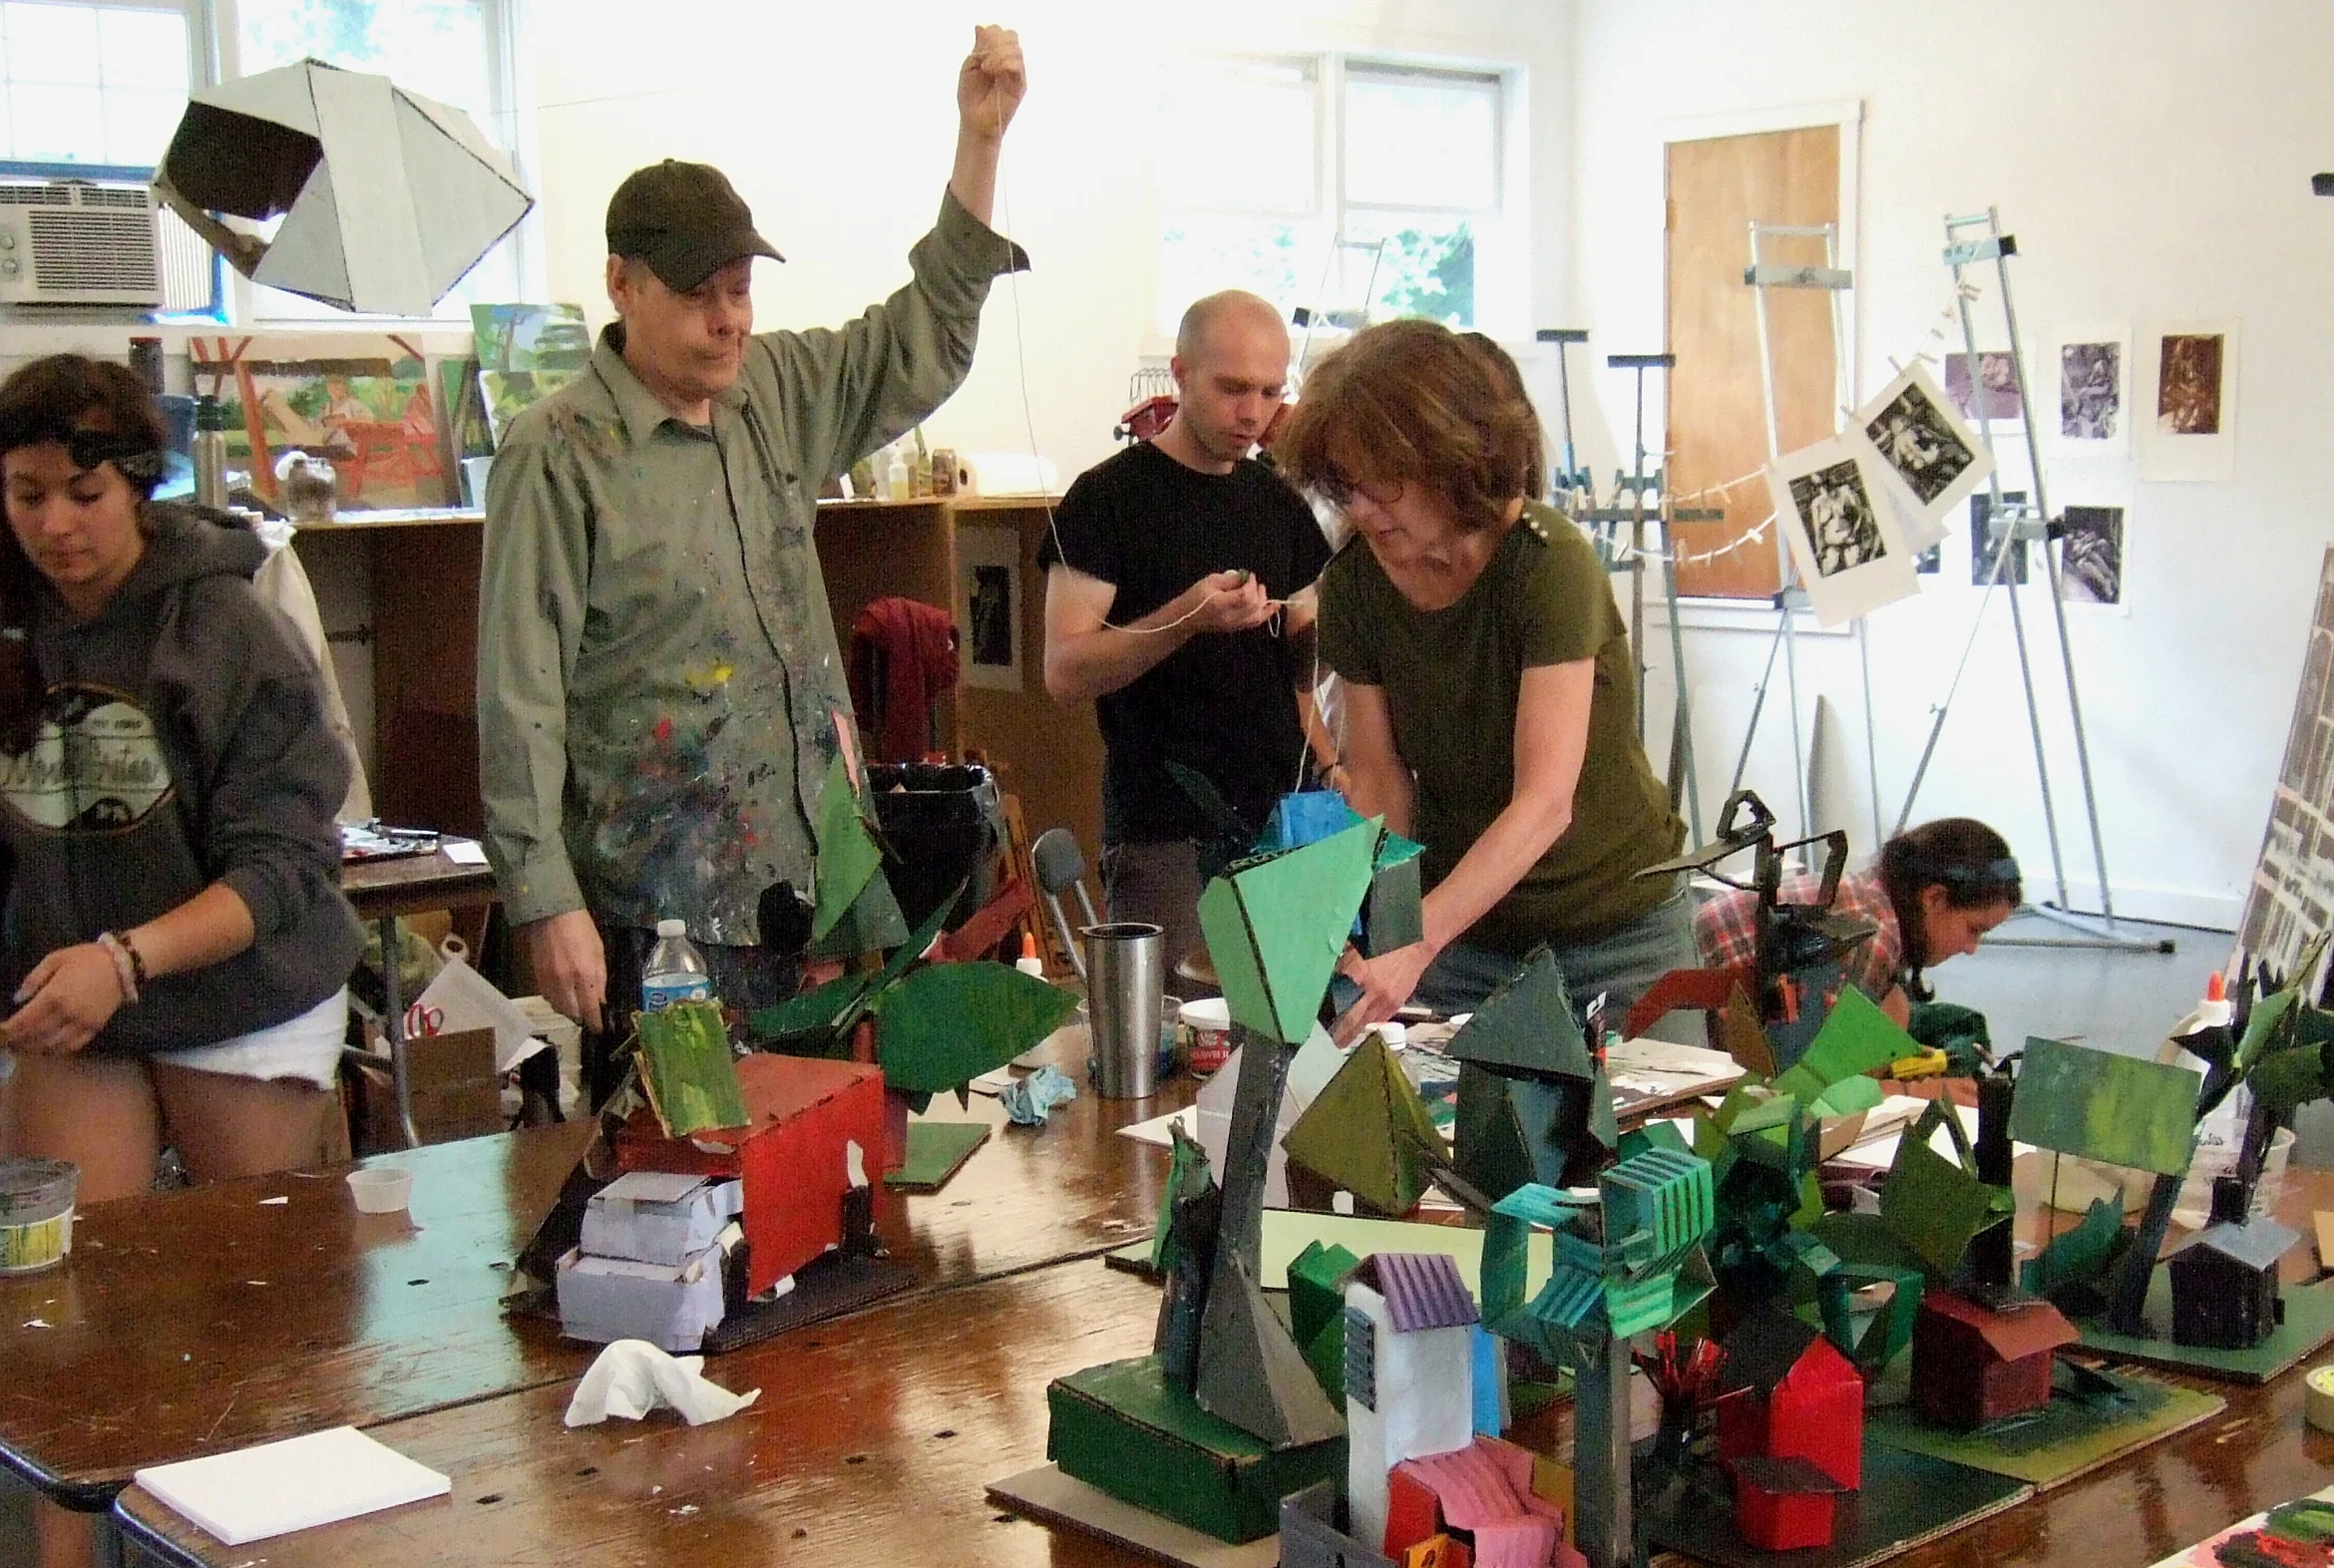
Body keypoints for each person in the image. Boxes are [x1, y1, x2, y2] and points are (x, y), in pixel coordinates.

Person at [478, 27, 1028, 1052]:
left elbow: (923, 339)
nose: (728, 319)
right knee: (679, 1191)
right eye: (698, 294)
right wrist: (541, 899)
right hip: (655, 912)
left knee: (816, 1170)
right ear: (621, 285)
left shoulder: (776, 391)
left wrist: (980, 143)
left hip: (812, 887)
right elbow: (520, 696)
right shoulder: (557, 454)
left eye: (740, 288)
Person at [0, 353, 362, 1568]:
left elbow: (282, 872)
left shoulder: (226, 625)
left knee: (256, 1300)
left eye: (81, 492)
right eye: (25, 494)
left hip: (238, 984)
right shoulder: (10, 621)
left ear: (135, 486)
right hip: (74, 995)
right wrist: (65, 969)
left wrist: (123, 957)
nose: (54, 525)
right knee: (54, 1295)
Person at [1272, 322, 1690, 1040]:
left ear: (1448, 457)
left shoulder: (1548, 563)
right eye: (1346, 485)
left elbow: (1545, 801)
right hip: (1471, 940)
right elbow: (1379, 781)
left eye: (1382, 480)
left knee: (1654, 1145)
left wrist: (1418, 936)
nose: (1362, 508)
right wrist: (1382, 922)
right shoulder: (1356, 586)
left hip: (1621, 935)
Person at [1040, 289, 1333, 973]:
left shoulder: (1279, 502)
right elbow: (1063, 671)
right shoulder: (1107, 500)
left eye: (1268, 391)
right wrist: (1187, 620)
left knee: (1292, 1041)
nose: (1252, 412)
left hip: (1282, 821)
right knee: (1171, 1044)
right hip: (1165, 835)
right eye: (1232, 388)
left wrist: (1317, 652)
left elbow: (1298, 680)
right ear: (1179, 373)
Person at [1695, 817, 2023, 1028]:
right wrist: (1923, 1088)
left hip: (1703, 968)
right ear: (1935, 899)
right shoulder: (1872, 935)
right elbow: (1807, 1076)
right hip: (1693, 1016)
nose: (1971, 948)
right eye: (1974, 929)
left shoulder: (1872, 896)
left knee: (1893, 1008)